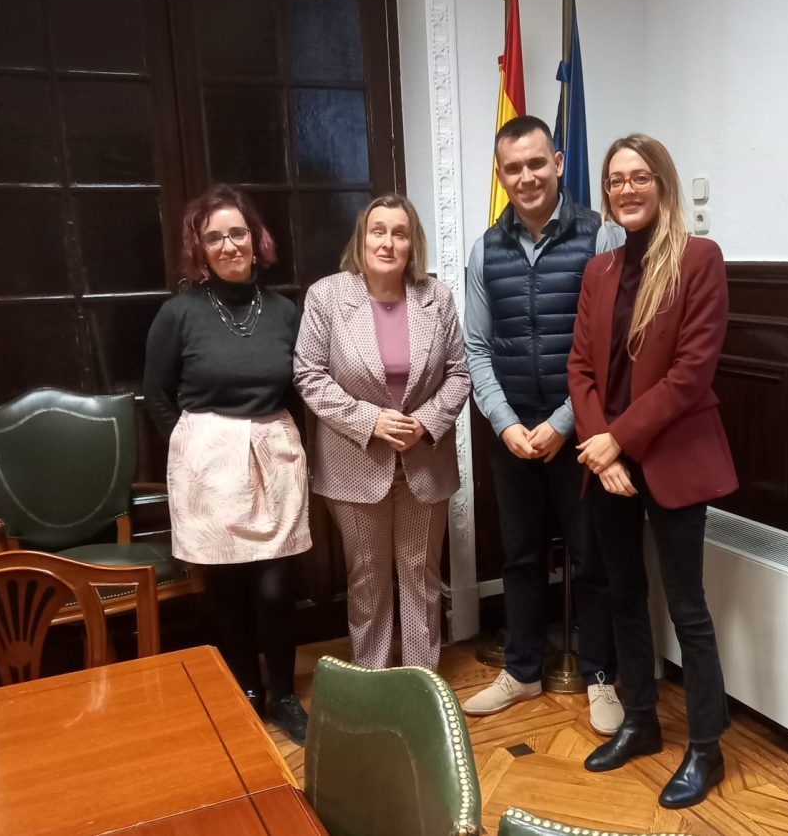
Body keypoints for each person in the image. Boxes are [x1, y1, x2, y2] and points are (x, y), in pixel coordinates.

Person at [567, 133, 738, 809]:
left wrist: (618, 441)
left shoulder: (699, 259)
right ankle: (639, 721)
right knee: (620, 594)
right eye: (615, 180)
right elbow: (580, 368)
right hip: (607, 461)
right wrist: (599, 446)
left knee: (688, 607)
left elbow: (690, 374)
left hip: (671, 457)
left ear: (662, 184)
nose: (626, 189)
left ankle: (706, 748)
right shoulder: (598, 270)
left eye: (639, 177)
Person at [461, 115, 624, 736]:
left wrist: (563, 422)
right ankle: (522, 669)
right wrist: (504, 423)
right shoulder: (486, 248)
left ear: (558, 162)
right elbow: (476, 347)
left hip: (582, 433)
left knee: (592, 558)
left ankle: (600, 674)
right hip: (513, 437)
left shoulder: (599, 238)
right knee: (521, 555)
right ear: (500, 176)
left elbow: (609, 348)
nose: (525, 177)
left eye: (535, 164)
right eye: (512, 168)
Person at [143, 184, 311, 744]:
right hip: (206, 465)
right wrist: (194, 449)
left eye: (237, 232)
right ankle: (246, 690)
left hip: (274, 455)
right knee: (229, 591)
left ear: (255, 238)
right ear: (200, 247)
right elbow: (157, 393)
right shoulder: (178, 313)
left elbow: (300, 386)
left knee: (274, 589)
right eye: (213, 236)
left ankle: (284, 694)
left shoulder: (286, 310)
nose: (228, 244)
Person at [293, 193, 470, 670]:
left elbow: (460, 374)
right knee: (367, 578)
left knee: (420, 575)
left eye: (400, 232)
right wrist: (369, 421)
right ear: (362, 238)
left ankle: (420, 680)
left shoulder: (438, 298)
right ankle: (371, 681)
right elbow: (308, 373)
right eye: (379, 231)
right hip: (355, 465)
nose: (388, 242)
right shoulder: (327, 296)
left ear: (413, 244)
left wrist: (426, 423)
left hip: (423, 463)